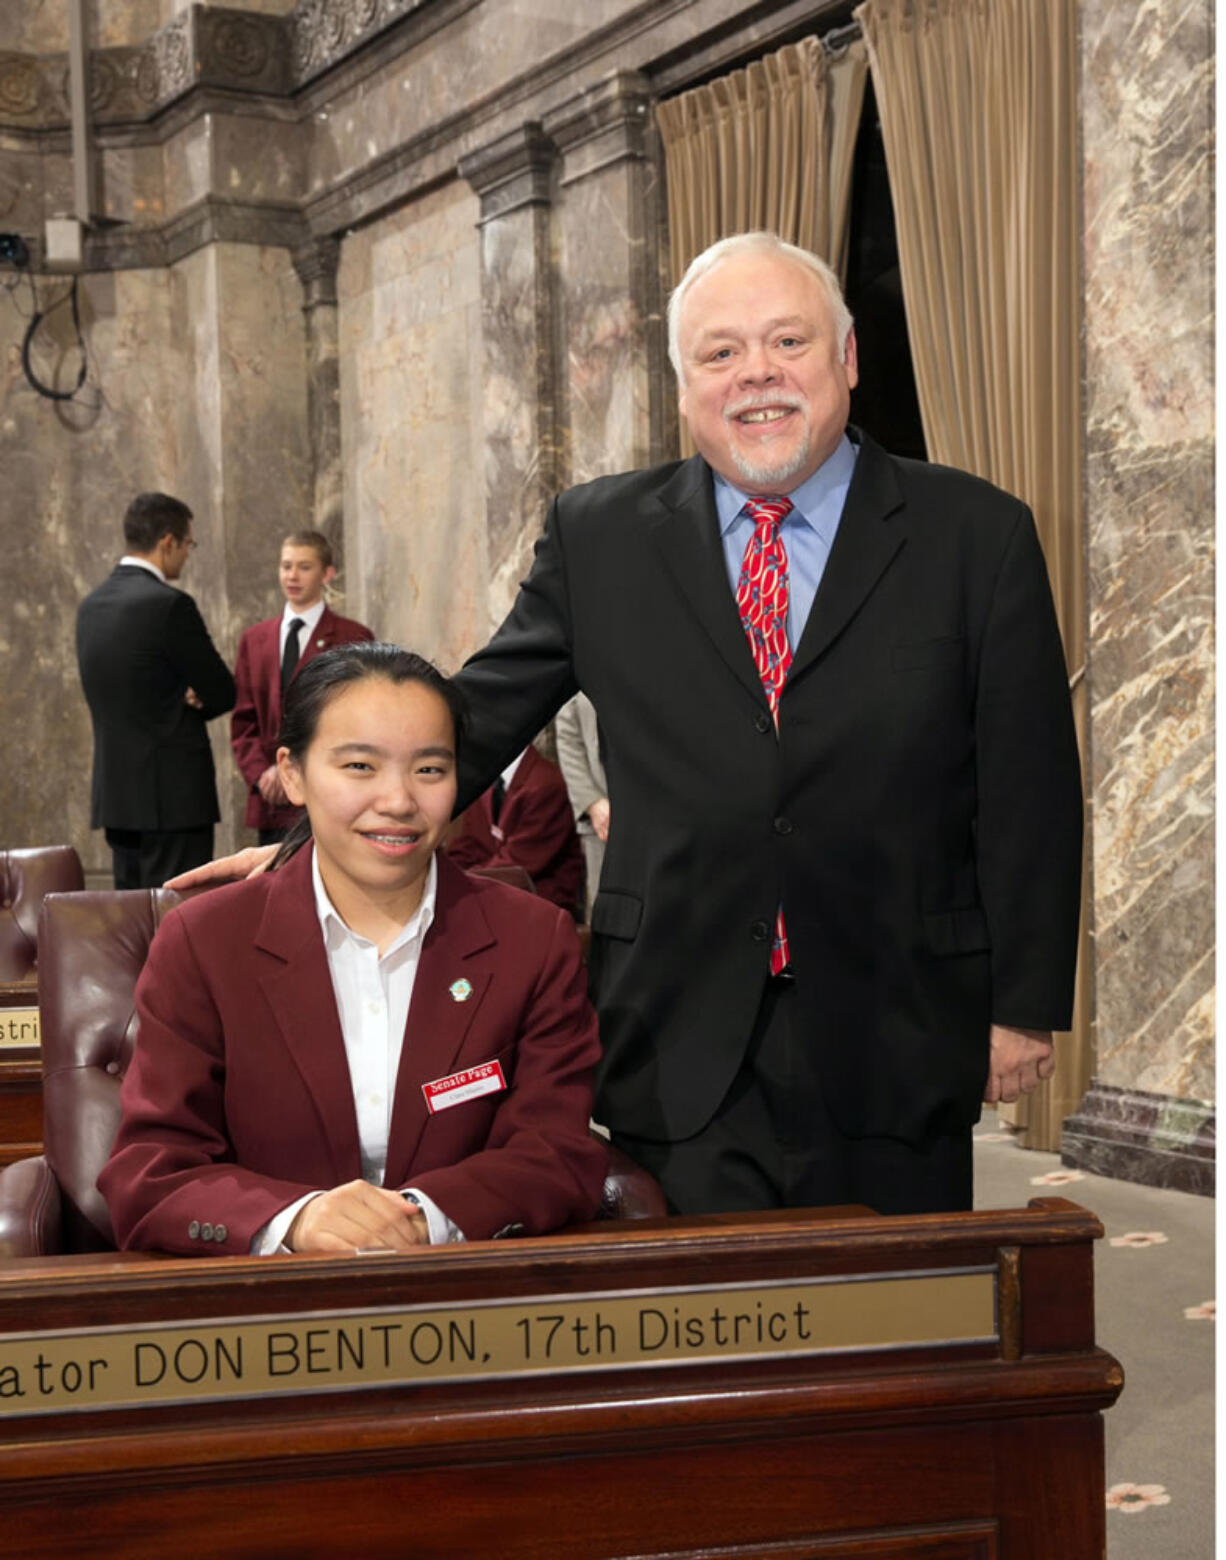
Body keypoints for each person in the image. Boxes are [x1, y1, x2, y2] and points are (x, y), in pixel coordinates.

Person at [172, 232, 1083, 1220]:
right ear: (682, 382)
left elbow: (1029, 784)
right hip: (680, 1026)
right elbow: (476, 716)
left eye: (787, 342)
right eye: (720, 353)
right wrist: (320, 848)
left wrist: (1019, 1006)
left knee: (895, 1338)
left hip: (897, 1024)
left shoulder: (974, 535)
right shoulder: (599, 535)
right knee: (695, 1349)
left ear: (848, 358)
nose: (756, 377)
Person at [100, 643, 607, 1256]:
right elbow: (152, 1171)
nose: (398, 802)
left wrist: (424, 1216)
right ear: (292, 773)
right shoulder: (205, 944)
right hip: (264, 1317)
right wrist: (296, 1220)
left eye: (429, 769)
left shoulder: (532, 941)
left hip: (469, 1302)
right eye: (360, 767)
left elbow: (555, 1150)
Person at [76, 492, 235, 889]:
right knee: (175, 926)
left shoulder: (91, 607)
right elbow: (222, 690)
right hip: (175, 801)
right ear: (167, 542)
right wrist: (189, 693)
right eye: (188, 545)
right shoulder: (170, 606)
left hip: (117, 797)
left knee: (129, 928)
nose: (186, 554)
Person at [230, 530, 374, 845]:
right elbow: (243, 720)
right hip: (270, 796)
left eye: (304, 567)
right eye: (286, 566)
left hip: (326, 794)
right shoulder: (255, 639)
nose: (292, 576)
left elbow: (357, 721)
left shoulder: (354, 637)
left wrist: (301, 772)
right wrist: (264, 774)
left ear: (327, 574)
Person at [447, 743, 585, 917]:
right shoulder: (487, 780)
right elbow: (470, 844)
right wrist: (442, 872)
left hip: (539, 904)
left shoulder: (546, 785)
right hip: (494, 892)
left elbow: (518, 864)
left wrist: (458, 881)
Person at [555, 693, 609, 921]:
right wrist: (593, 803)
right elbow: (567, 735)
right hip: (602, 815)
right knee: (603, 906)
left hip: (657, 809)